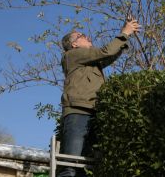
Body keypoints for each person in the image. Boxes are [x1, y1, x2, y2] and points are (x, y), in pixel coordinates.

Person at [58, 18, 141, 177]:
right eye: (81, 35)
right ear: (74, 44)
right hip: (78, 111)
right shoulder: (72, 55)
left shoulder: (88, 62)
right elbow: (105, 51)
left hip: (93, 111)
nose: (87, 37)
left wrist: (125, 37)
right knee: (71, 164)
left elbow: (109, 56)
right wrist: (124, 33)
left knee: (85, 168)